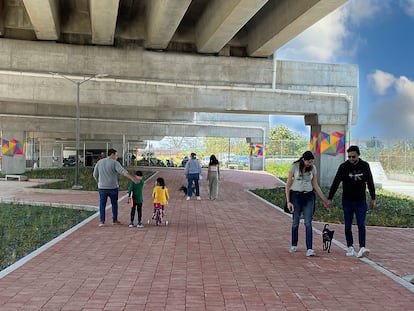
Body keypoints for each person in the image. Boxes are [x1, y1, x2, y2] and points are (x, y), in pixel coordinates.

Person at [327, 145, 376, 258]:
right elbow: (336, 182)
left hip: (360, 201)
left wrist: (373, 198)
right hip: (347, 201)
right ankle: (350, 246)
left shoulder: (364, 166)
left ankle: (362, 247)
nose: (351, 159)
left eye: (353, 156)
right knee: (348, 226)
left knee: (361, 225)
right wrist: (330, 198)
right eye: (349, 157)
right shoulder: (344, 167)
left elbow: (370, 182)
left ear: (358, 155)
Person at [285, 151, 329, 257]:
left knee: (308, 223)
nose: (310, 164)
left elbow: (315, 185)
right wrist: (288, 201)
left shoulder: (313, 168)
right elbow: (287, 185)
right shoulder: (294, 167)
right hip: (296, 196)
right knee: (295, 222)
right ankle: (294, 244)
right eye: (308, 162)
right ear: (303, 160)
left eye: (311, 162)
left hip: (308, 196)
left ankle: (309, 248)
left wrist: (324, 199)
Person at [93, 148, 141, 226]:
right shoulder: (115, 163)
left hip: (102, 188)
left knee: (102, 204)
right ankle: (114, 220)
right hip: (113, 187)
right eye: (116, 155)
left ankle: (102, 221)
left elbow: (95, 175)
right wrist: (133, 178)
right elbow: (123, 172)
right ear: (112, 154)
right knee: (114, 204)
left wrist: (98, 182)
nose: (117, 157)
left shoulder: (99, 162)